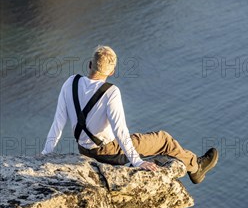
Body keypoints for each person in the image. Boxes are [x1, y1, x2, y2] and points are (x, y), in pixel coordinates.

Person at [42, 45, 218, 184]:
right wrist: (137, 162)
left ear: (89, 64)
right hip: (109, 152)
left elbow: (58, 122)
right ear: (111, 72)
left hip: (84, 149)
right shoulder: (111, 92)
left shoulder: (70, 82)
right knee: (164, 139)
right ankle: (196, 167)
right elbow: (120, 131)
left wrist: (46, 153)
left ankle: (190, 164)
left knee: (146, 142)